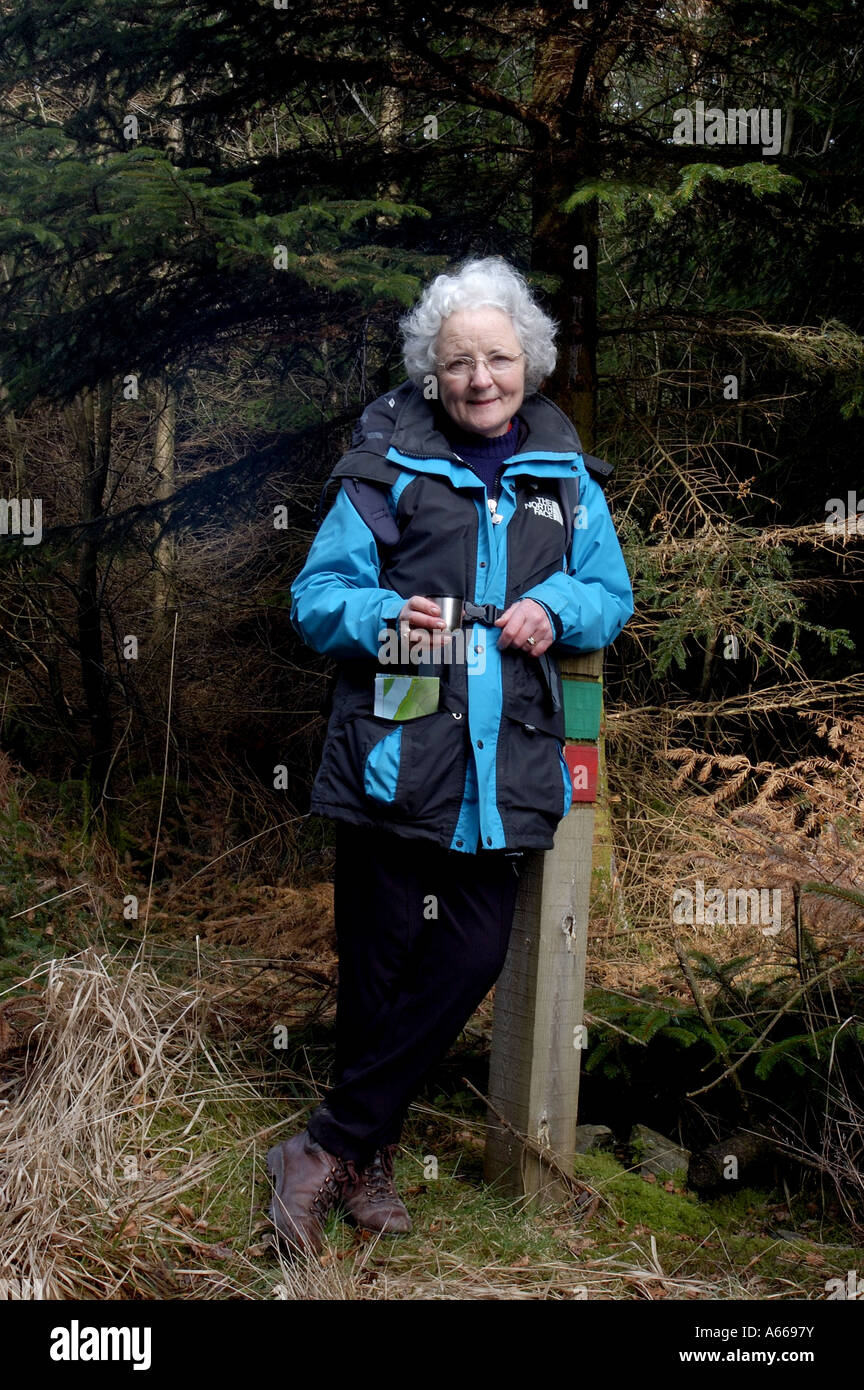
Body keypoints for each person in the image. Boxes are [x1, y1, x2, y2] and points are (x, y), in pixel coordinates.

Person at [268, 255, 634, 1255]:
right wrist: (392, 616)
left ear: (531, 363)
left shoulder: (565, 480)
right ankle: (367, 1163)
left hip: (504, 766)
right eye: (460, 362)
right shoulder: (385, 465)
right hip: (398, 754)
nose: (481, 379)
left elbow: (611, 592)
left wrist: (555, 607)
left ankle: (320, 1147)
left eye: (500, 359)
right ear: (434, 371)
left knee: (470, 950)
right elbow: (315, 600)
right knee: (380, 966)